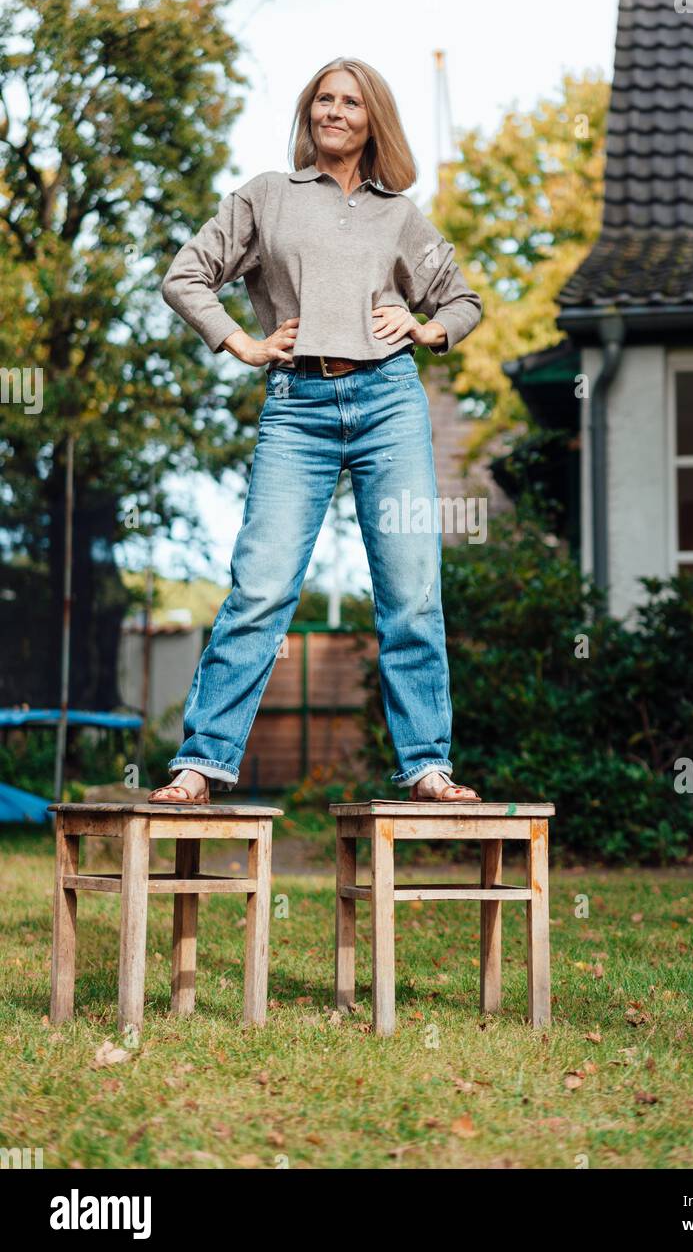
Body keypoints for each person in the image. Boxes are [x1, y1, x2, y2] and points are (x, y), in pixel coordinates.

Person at [148, 57, 483, 806]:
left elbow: (461, 299)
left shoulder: (398, 213)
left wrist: (426, 329)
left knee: (411, 588)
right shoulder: (268, 196)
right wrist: (240, 342)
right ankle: (202, 764)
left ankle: (428, 766)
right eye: (323, 100)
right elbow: (185, 276)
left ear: (372, 121)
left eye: (350, 102)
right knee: (260, 588)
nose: (333, 111)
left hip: (390, 404)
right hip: (298, 405)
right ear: (310, 113)